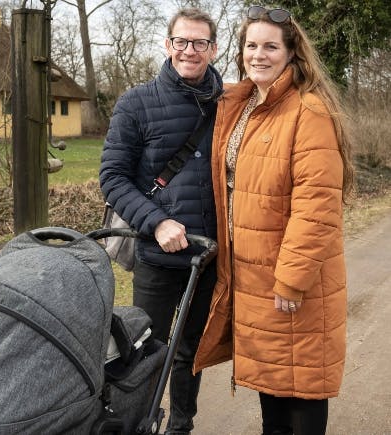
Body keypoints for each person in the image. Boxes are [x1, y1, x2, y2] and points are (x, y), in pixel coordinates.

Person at [194, 4, 355, 435]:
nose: (258, 55)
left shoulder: (308, 110)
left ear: (291, 53)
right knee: (272, 387)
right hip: (251, 276)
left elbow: (317, 204)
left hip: (291, 281)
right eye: (251, 45)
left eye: (270, 46)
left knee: (301, 386)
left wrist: (292, 278)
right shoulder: (243, 104)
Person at [99, 8, 223, 434]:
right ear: (168, 45)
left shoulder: (229, 104)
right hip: (157, 254)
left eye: (200, 43)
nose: (190, 50)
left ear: (214, 48)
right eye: (182, 42)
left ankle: (181, 426)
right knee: (146, 349)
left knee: (190, 350)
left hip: (209, 256)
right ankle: (137, 424)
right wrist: (155, 222)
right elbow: (112, 178)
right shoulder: (136, 102)